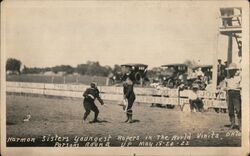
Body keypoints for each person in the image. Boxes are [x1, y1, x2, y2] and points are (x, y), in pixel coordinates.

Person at [219, 63, 241, 130]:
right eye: (230, 70)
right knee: (230, 109)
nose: (231, 71)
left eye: (232, 70)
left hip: (236, 93)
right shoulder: (226, 79)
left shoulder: (239, 78)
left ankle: (240, 125)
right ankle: (232, 124)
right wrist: (224, 89)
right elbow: (223, 87)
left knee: (238, 109)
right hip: (229, 93)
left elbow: (242, 86)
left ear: (235, 70)